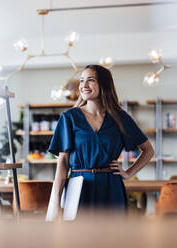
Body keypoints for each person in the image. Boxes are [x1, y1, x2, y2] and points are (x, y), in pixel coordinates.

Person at [47, 64, 154, 220]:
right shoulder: (69, 117)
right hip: (79, 188)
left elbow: (148, 150)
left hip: (112, 187)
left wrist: (128, 172)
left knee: (113, 240)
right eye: (82, 80)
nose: (83, 85)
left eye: (90, 80)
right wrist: (56, 202)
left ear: (103, 84)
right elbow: (63, 162)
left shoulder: (120, 117)